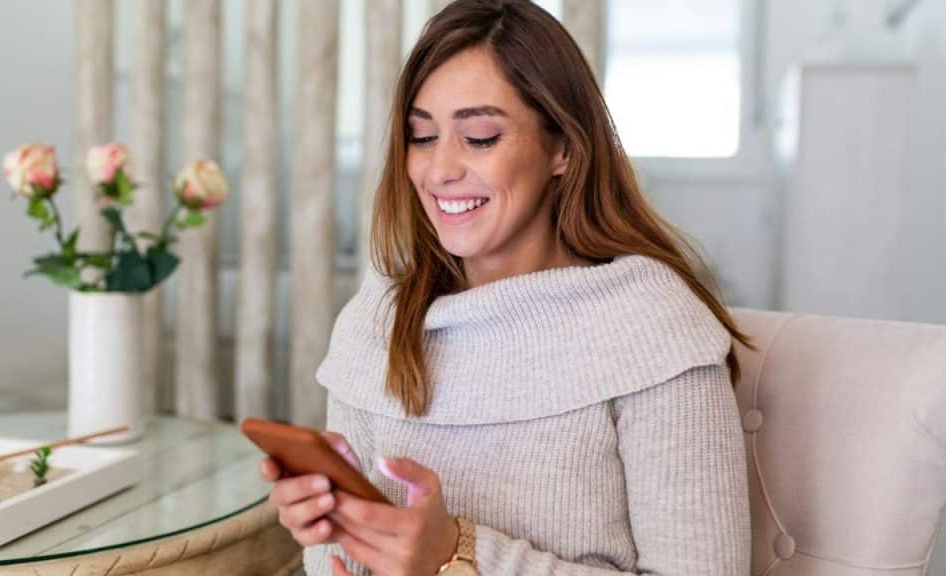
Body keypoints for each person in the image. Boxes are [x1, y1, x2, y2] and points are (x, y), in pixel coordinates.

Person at [260, 0, 753, 574]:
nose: (439, 169)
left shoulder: (651, 329)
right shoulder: (379, 322)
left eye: (480, 137)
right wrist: (335, 527)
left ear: (562, 148)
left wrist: (458, 553)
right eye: (421, 136)